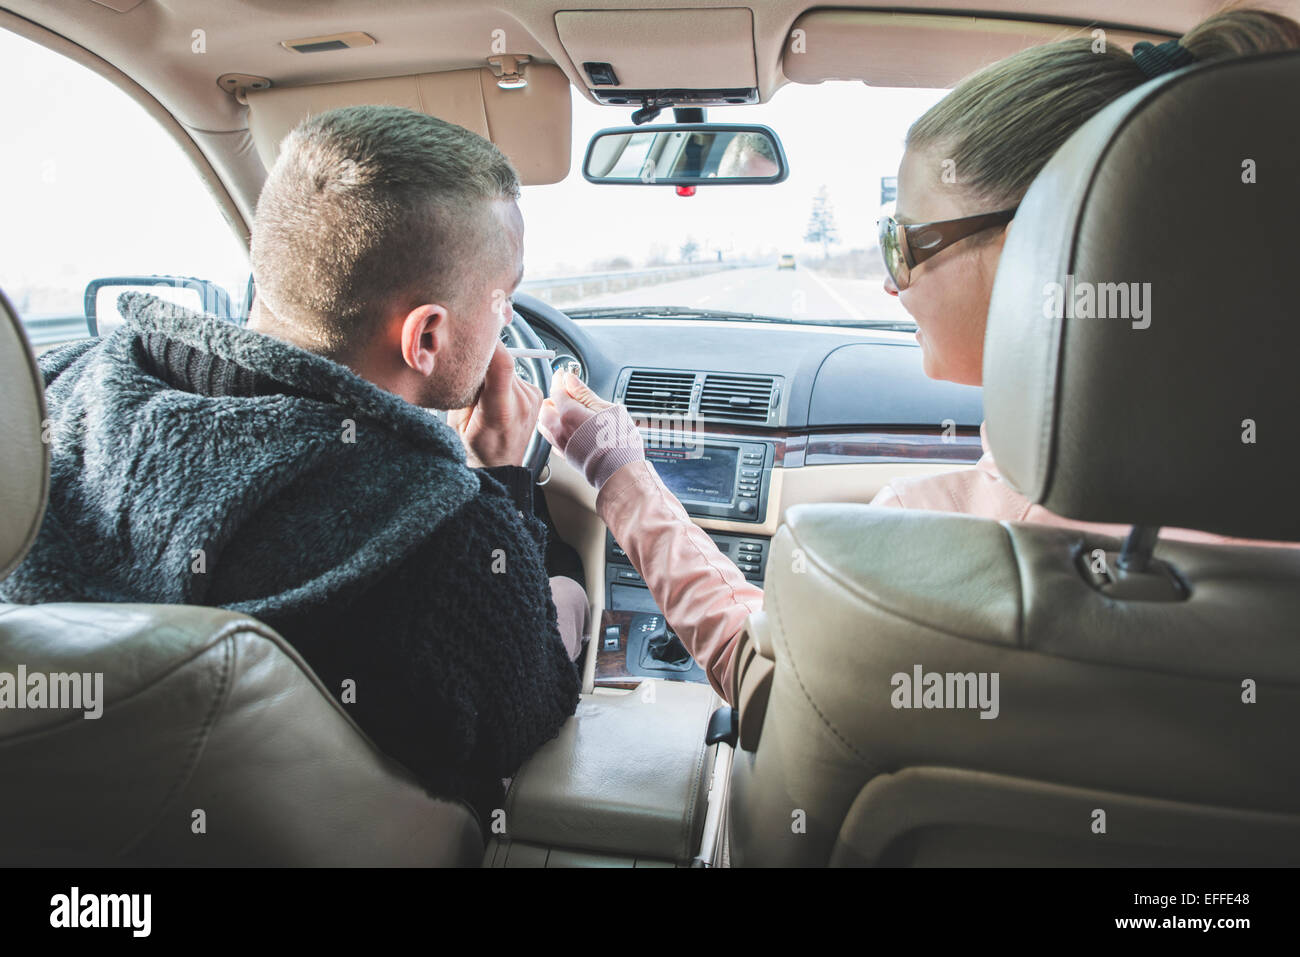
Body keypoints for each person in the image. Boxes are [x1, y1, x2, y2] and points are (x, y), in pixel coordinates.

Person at [538, 7, 1300, 704]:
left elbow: (766, 682)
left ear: (1046, 241)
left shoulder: (931, 549)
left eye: (903, 241)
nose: (885, 276)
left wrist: (618, 471)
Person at [0, 105, 587, 827]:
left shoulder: (49, 394)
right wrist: (506, 488)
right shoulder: (445, 533)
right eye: (506, 296)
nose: (507, 319)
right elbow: (526, 708)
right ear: (426, 335)